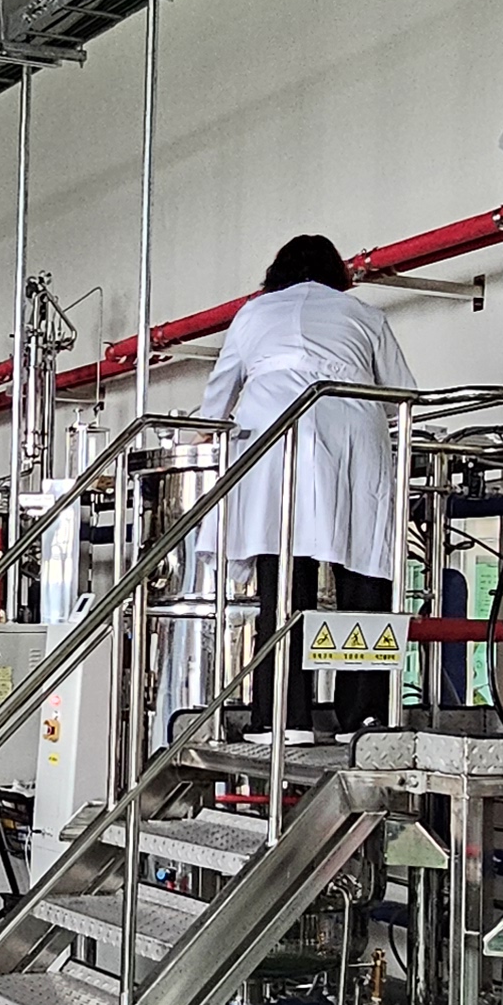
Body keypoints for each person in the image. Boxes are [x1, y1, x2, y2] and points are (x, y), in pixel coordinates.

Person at [198, 234, 415, 739]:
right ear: (337, 273)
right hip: (352, 431)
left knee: (282, 584)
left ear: (276, 273)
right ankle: (363, 717)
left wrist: (204, 430)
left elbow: (217, 398)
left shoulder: (253, 313)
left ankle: (282, 717)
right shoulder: (364, 314)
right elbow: (402, 395)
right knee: (364, 580)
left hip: (275, 432)